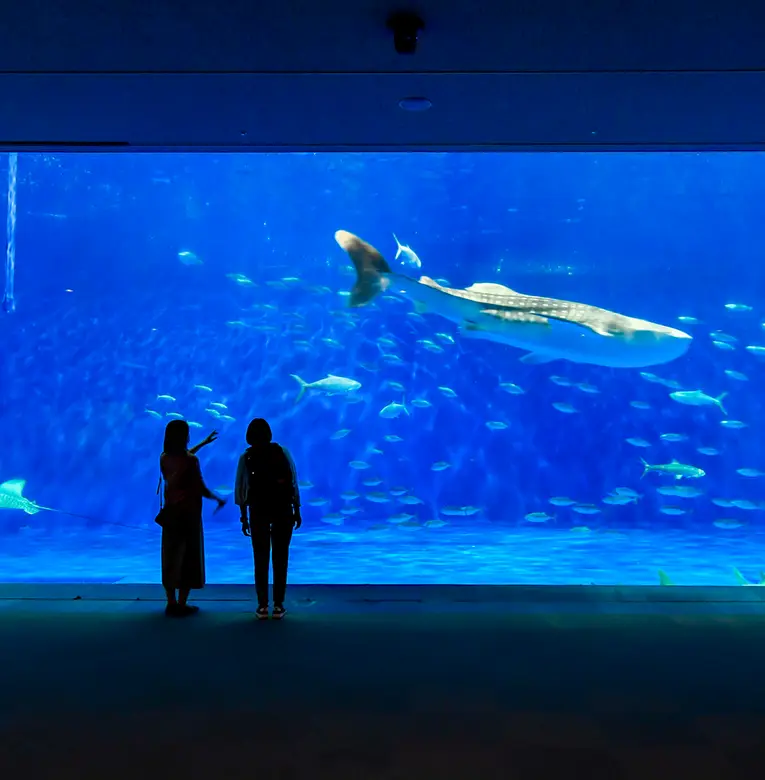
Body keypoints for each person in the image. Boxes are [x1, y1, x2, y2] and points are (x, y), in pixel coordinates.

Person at [235, 418, 302, 620]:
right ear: (269, 434)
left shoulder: (246, 457)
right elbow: (293, 480)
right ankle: (279, 606)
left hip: (258, 511)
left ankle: (262, 606)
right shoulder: (282, 452)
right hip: (283, 509)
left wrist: (243, 517)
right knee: (281, 558)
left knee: (261, 558)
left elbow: (241, 488)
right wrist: (297, 509)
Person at [159, 420, 226, 617]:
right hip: (188, 514)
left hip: (170, 514)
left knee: (170, 556)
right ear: (185, 436)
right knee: (187, 557)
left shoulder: (163, 458)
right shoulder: (191, 461)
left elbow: (182, 459)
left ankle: (170, 602)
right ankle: (182, 604)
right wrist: (217, 499)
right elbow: (200, 487)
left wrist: (203, 443)